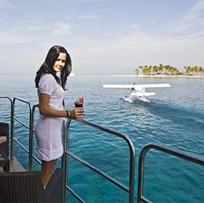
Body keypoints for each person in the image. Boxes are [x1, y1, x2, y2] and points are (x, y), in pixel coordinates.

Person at [34, 45, 84, 188]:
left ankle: (39, 196)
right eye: (57, 60)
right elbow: (43, 109)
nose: (60, 64)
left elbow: (47, 103)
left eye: (63, 61)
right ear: (50, 58)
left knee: (46, 171)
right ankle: (41, 198)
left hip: (51, 129)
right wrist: (69, 113)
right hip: (48, 131)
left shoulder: (50, 77)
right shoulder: (48, 78)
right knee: (47, 173)